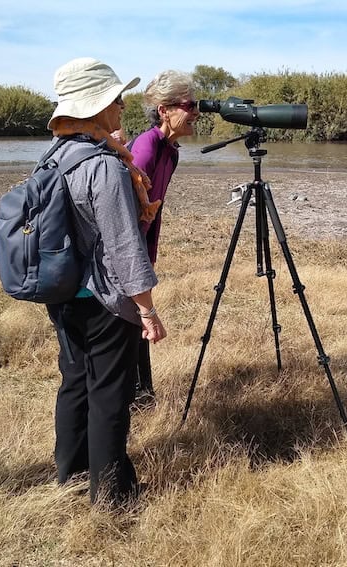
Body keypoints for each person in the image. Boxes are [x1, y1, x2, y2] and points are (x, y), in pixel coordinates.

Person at [44, 57, 168, 507]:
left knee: (74, 384)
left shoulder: (55, 155)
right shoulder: (106, 167)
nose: (121, 105)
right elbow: (124, 247)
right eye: (115, 98)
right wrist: (147, 310)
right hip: (104, 303)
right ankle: (112, 497)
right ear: (96, 108)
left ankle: (71, 475)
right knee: (110, 399)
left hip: (62, 293)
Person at [128, 70, 199, 406]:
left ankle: (142, 391)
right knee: (132, 320)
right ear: (164, 110)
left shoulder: (171, 151)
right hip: (129, 247)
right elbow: (127, 211)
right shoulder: (145, 148)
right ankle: (135, 393)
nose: (197, 113)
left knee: (135, 324)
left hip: (144, 243)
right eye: (190, 105)